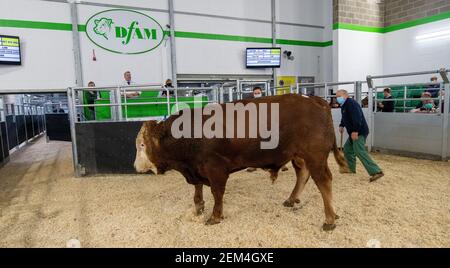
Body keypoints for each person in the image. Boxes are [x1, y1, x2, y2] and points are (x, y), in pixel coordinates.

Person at [336, 89, 384, 182]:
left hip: (359, 131)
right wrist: (342, 125)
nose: (337, 98)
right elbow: (345, 117)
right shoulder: (344, 105)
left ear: (345, 95)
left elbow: (357, 118)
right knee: (348, 149)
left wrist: (355, 131)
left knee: (359, 151)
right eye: (337, 97)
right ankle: (350, 168)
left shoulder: (351, 104)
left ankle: (376, 171)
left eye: (338, 96)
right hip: (353, 132)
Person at [247, 86, 288, 173]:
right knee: (253, 147)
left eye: (258, 93)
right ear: (253, 94)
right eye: (255, 93)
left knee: (276, 146)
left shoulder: (267, 101)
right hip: (256, 128)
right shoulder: (251, 103)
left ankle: (281, 164)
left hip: (269, 127)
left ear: (262, 92)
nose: (257, 94)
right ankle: (253, 165)